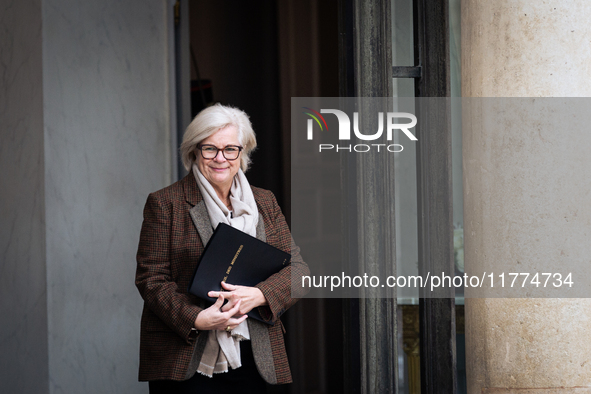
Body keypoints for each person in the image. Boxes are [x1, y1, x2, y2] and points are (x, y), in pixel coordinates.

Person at [135, 103, 309, 393]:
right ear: (194, 151)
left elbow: (299, 271)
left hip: (257, 355)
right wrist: (196, 319)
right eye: (209, 149)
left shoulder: (265, 201)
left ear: (242, 153)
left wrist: (259, 295)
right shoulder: (166, 203)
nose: (220, 158)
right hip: (186, 356)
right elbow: (151, 279)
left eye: (230, 149)